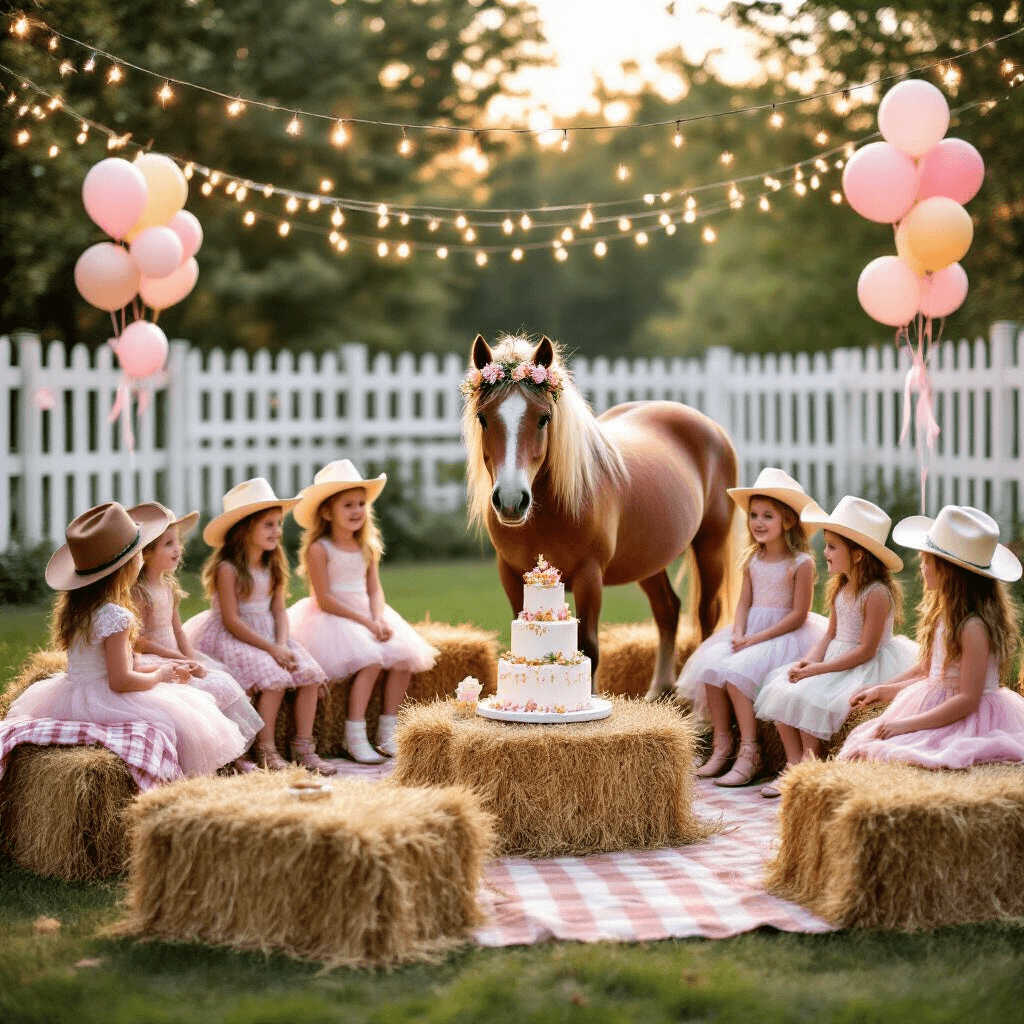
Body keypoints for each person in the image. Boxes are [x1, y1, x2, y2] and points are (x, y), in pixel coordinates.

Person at [6, 502, 248, 776]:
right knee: (178, 721)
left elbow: (117, 668)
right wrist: (160, 676)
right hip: (105, 701)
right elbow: (120, 681)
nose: (142, 558)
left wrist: (162, 670)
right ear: (126, 566)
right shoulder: (116, 616)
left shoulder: (78, 611)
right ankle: (186, 778)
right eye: (138, 554)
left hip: (71, 694)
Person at [754, 496, 918, 796]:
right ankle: (792, 765)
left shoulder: (877, 592)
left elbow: (867, 650)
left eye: (832, 547)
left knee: (814, 698)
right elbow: (830, 635)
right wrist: (807, 662)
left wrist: (820, 670)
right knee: (780, 688)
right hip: (834, 658)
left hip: (863, 665)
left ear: (857, 555)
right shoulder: (841, 585)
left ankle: (810, 763)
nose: (825, 552)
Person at [839, 505, 1024, 767]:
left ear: (948, 570)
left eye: (927, 561)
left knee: (897, 752)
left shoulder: (973, 627)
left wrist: (906, 725)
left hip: (965, 717)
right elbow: (929, 671)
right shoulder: (943, 614)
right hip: (936, 703)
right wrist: (884, 689)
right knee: (866, 744)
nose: (922, 568)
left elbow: (968, 700)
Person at [676, 467, 826, 787]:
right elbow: (743, 603)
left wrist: (757, 639)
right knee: (710, 669)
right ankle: (723, 744)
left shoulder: (801, 563)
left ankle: (751, 750)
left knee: (736, 673)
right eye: (754, 515)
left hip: (785, 634)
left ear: (787, 521)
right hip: (751, 631)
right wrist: (739, 631)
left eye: (768, 516)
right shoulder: (753, 559)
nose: (758, 522)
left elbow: (799, 614)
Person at [288, 460, 437, 764]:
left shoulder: (367, 547)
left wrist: (379, 617)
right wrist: (365, 622)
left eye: (361, 504)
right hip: (335, 616)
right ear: (327, 512)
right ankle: (354, 734)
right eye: (348, 505)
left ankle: (387, 732)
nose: (357, 511)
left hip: (368, 613)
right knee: (370, 660)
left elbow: (374, 589)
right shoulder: (319, 548)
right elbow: (324, 598)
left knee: (403, 658)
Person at [183, 478, 335, 774]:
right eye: (268, 524)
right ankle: (266, 749)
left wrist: (283, 643)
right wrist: (271, 649)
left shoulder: (273, 565)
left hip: (272, 635)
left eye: (278, 524)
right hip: (236, 636)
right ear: (244, 529)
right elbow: (231, 620)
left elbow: (279, 610)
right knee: (273, 677)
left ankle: (303, 747)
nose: (277, 531)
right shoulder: (227, 569)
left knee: (310, 675)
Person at [129, 502, 263, 771]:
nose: (177, 549)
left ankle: (235, 756)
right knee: (202, 695)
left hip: (178, 655)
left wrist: (191, 658)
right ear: (146, 551)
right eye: (168, 544)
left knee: (222, 682)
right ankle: (220, 762)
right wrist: (176, 658)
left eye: (178, 542)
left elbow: (178, 629)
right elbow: (138, 640)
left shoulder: (168, 586)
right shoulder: (139, 592)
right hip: (157, 659)